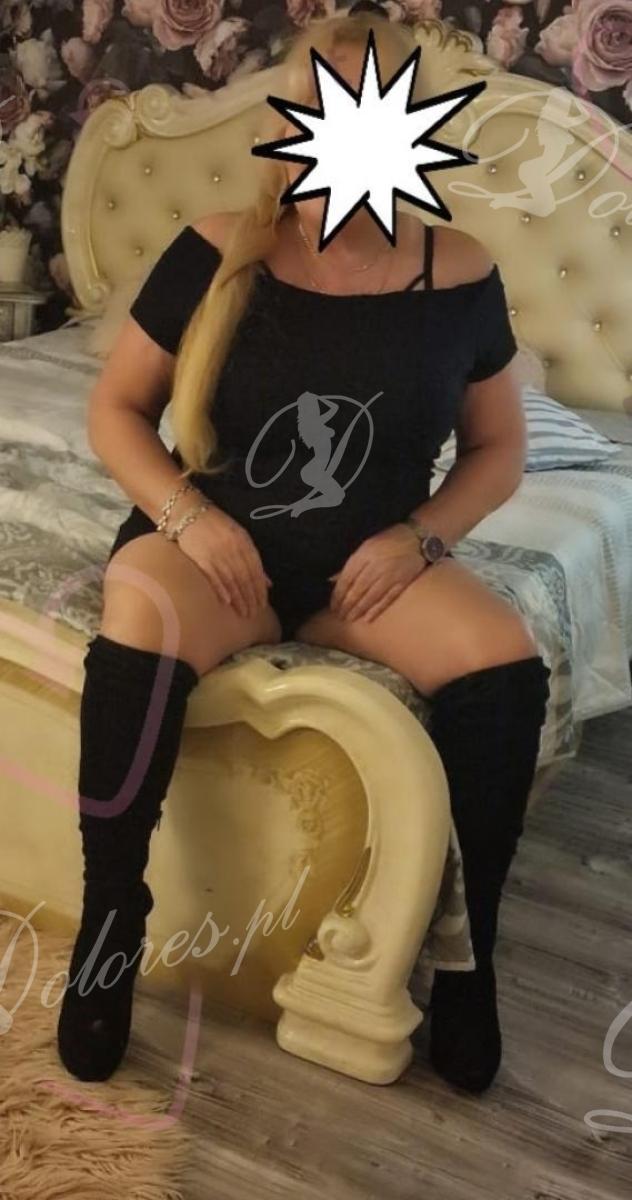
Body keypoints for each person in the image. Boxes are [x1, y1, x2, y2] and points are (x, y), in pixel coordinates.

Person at [57, 3, 550, 1093]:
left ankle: (465, 960)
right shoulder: (216, 249)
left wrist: (419, 537)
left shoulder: (460, 273)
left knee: (505, 665)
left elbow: (499, 450)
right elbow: (115, 413)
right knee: (137, 607)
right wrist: (188, 518)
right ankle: (110, 923)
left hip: (365, 567)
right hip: (216, 552)